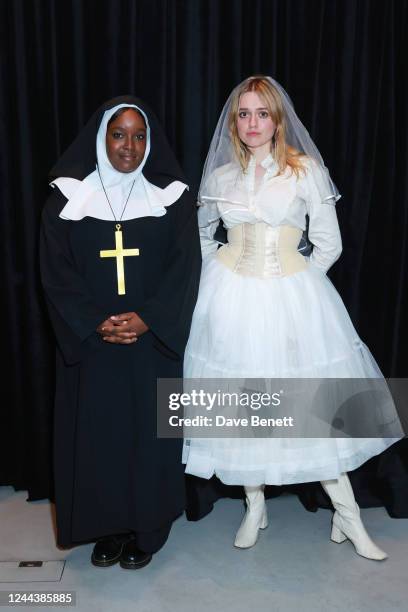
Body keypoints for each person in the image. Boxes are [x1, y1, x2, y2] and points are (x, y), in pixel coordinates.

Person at [182, 76, 404, 559]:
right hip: (230, 300)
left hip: (293, 299)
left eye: (262, 113)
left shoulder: (305, 172)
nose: (252, 123)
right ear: (234, 121)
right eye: (244, 114)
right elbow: (200, 239)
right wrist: (220, 287)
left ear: (278, 119)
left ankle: (348, 517)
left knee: (314, 410)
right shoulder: (219, 178)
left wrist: (296, 286)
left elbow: (330, 243)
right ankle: (254, 507)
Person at [40, 96, 201, 569]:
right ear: (100, 138)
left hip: (153, 342)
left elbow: (184, 269)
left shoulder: (172, 198)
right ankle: (106, 528)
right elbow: (55, 271)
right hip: (93, 344)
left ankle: (147, 529)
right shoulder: (67, 199)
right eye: (119, 134)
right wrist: (95, 321)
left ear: (150, 143)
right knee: (99, 438)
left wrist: (149, 317)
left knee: (148, 438)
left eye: (139, 135)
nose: (129, 146)